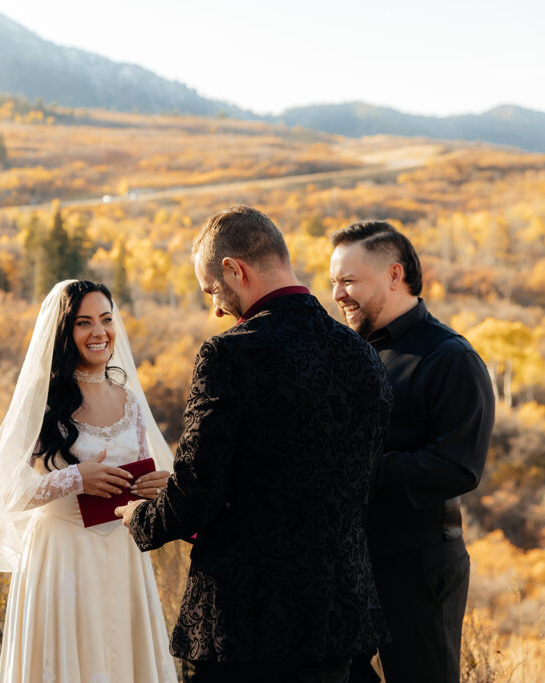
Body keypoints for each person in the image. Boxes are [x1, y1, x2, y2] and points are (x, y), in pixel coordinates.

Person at [118, 205, 392, 682]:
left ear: (233, 269)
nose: (217, 309)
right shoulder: (362, 355)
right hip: (338, 616)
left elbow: (195, 495)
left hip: (247, 625)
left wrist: (140, 518)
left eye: (212, 292)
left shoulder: (230, 353)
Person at [0, 280, 178, 682]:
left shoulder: (129, 401)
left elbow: (143, 470)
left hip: (124, 557)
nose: (99, 332)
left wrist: (154, 489)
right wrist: (74, 478)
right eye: (83, 322)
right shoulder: (44, 404)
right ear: (64, 332)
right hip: (62, 558)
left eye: (106, 319)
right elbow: (3, 493)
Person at [329, 221, 494, 683]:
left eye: (348, 280)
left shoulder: (450, 357)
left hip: (417, 568)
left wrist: (361, 469)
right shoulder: (349, 353)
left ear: (394, 275)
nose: (338, 294)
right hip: (347, 563)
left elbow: (458, 467)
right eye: (333, 283)